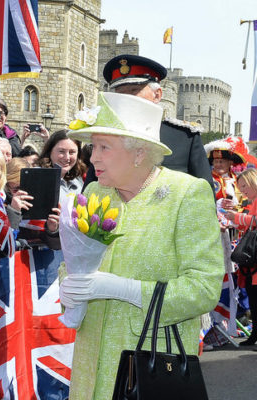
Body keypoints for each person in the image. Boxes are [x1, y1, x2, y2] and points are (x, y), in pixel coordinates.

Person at [60, 92, 224, 399]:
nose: (93, 158)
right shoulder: (95, 191)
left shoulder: (187, 194)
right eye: (94, 146)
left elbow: (203, 289)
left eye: (104, 147)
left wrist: (125, 290)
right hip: (89, 369)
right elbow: (73, 258)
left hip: (150, 369)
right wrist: (69, 287)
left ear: (139, 153)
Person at [94, 54, 213, 188]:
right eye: (121, 93)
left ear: (157, 95)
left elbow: (205, 191)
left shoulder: (184, 138)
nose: (127, 98)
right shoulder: (105, 137)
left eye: (134, 91)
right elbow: (89, 193)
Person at [223, 168, 257, 346]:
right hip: (252, 261)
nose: (242, 190)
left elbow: (254, 221)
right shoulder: (253, 202)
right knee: (253, 297)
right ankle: (254, 335)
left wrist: (236, 217)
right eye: (240, 187)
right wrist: (235, 220)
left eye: (244, 186)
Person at [37, 129, 86, 202]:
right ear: (50, 152)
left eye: (72, 152)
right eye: (61, 151)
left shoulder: (78, 183)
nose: (67, 157)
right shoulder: (37, 179)